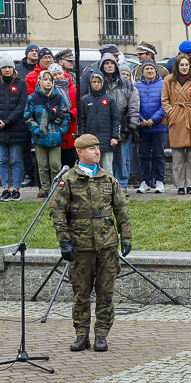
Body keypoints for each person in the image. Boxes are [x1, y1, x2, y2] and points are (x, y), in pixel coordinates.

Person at [49, 134, 132, 353]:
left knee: (106, 293)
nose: (97, 151)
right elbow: (57, 212)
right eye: (92, 148)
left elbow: (121, 210)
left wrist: (126, 237)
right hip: (80, 247)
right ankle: (82, 334)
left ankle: (102, 335)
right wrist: (64, 241)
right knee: (81, 294)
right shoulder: (68, 179)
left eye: (98, 147)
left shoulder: (107, 179)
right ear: (80, 152)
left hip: (106, 247)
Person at [24, 70, 69, 197]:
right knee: (42, 165)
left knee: (55, 164)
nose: (48, 82)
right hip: (40, 137)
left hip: (55, 137)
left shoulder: (59, 97)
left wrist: (61, 131)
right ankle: (44, 188)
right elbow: (28, 117)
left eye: (50, 79)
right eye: (45, 79)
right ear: (40, 81)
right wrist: (37, 130)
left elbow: (66, 116)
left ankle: (55, 188)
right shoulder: (33, 98)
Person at [97, 54, 140, 191]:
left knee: (123, 158)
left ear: (116, 65)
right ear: (102, 65)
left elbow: (134, 104)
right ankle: (108, 185)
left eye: (112, 63)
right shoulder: (98, 82)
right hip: (104, 125)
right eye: (106, 63)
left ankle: (121, 186)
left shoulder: (126, 84)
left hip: (124, 125)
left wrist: (133, 123)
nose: (109, 66)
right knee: (107, 158)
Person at [161, 55, 191, 195]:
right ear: (176, 66)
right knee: (177, 156)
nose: (184, 67)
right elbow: (164, 99)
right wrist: (171, 112)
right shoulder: (168, 80)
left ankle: (190, 185)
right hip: (176, 119)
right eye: (182, 65)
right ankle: (179, 185)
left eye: (187, 65)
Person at [79, 72, 120, 175]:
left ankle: (108, 189)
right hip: (90, 141)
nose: (96, 84)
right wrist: (83, 137)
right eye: (94, 82)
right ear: (90, 83)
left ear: (103, 83)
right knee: (90, 168)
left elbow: (116, 119)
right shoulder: (85, 100)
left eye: (98, 82)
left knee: (107, 169)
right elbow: (82, 121)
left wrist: (115, 136)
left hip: (106, 140)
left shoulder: (109, 100)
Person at [134, 62, 167, 194]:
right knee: (144, 155)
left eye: (151, 68)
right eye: (146, 69)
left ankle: (159, 181)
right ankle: (145, 181)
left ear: (156, 70)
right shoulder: (136, 86)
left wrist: (154, 119)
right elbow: (134, 104)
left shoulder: (163, 85)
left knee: (159, 155)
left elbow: (165, 104)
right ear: (143, 72)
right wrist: (141, 119)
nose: (149, 71)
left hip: (158, 127)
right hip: (143, 127)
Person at [0, 53, 29, 201]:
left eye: (9, 67)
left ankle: (16, 189)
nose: (7, 70)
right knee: (3, 160)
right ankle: (5, 189)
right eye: (4, 67)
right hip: (1, 130)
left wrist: (7, 121)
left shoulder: (21, 84)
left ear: (13, 68)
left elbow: (22, 106)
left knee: (17, 160)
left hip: (16, 128)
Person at [51, 63, 78, 168]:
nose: (58, 77)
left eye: (59, 74)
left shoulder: (73, 90)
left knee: (72, 157)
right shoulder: (51, 91)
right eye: (55, 75)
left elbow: (79, 105)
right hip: (58, 128)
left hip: (72, 125)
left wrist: (71, 114)